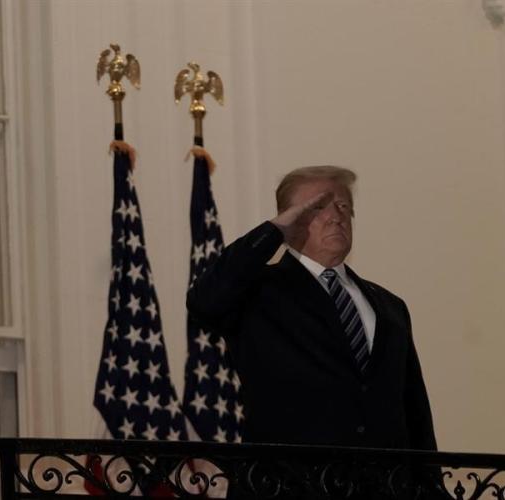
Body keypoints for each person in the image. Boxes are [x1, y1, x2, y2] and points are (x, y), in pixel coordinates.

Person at [186, 165, 436, 450]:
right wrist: (273, 232)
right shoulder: (255, 292)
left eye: (343, 206)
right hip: (292, 474)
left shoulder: (390, 305)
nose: (336, 216)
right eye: (317, 207)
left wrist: (428, 475)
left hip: (386, 476)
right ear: (288, 219)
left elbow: (414, 410)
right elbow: (203, 301)